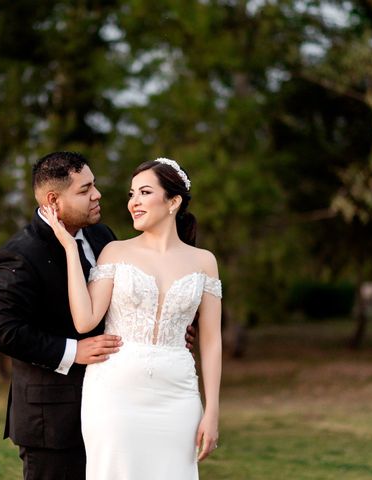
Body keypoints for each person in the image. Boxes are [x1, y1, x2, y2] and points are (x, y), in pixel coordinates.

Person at [0, 152, 196, 480]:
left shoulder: (102, 237)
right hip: (53, 422)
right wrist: (72, 351)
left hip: (116, 407)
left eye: (94, 185)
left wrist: (164, 329)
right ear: (54, 200)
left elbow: (121, 303)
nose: (97, 195)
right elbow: (1, 329)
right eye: (84, 190)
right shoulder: (22, 253)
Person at [43, 157, 222, 479]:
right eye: (131, 194)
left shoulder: (204, 262)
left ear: (174, 201)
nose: (133, 202)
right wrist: (70, 249)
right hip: (114, 394)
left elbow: (210, 341)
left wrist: (212, 411)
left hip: (178, 395)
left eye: (144, 192)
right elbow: (85, 322)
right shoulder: (114, 251)